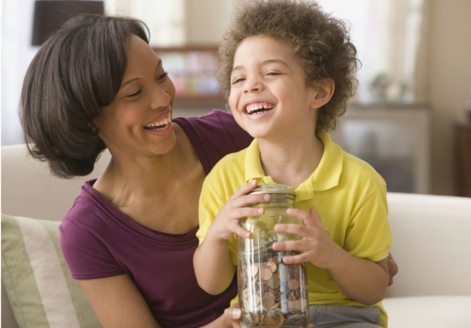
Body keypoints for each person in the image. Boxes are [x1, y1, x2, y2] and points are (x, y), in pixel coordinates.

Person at [20, 14, 251, 328]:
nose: (163, 98)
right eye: (134, 93)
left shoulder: (233, 135)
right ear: (89, 118)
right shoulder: (88, 233)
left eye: (160, 76)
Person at [193, 1, 393, 327]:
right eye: (238, 79)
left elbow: (374, 289)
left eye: (271, 72)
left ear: (319, 91)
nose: (250, 86)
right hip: (262, 316)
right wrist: (217, 233)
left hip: (344, 317)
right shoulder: (225, 177)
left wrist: (331, 255)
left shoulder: (360, 182)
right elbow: (210, 284)